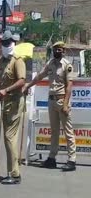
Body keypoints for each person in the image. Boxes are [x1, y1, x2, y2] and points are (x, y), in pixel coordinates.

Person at [23, 41, 77, 171]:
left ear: (63, 51)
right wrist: (28, 85)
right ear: (52, 50)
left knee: (68, 131)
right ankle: (52, 158)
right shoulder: (50, 63)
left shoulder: (67, 65)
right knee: (54, 132)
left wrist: (65, 104)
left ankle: (72, 160)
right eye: (55, 49)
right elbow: (40, 76)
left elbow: (69, 86)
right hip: (51, 100)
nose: (57, 51)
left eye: (60, 49)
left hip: (62, 100)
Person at [0, 30, 26, 184]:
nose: (7, 45)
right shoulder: (2, 61)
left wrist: (6, 90)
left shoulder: (17, 60)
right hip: (5, 103)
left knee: (9, 138)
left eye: (9, 43)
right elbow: (1, 84)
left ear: (14, 43)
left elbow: (21, 81)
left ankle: (14, 174)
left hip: (15, 103)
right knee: (8, 139)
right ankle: (11, 172)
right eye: (4, 43)